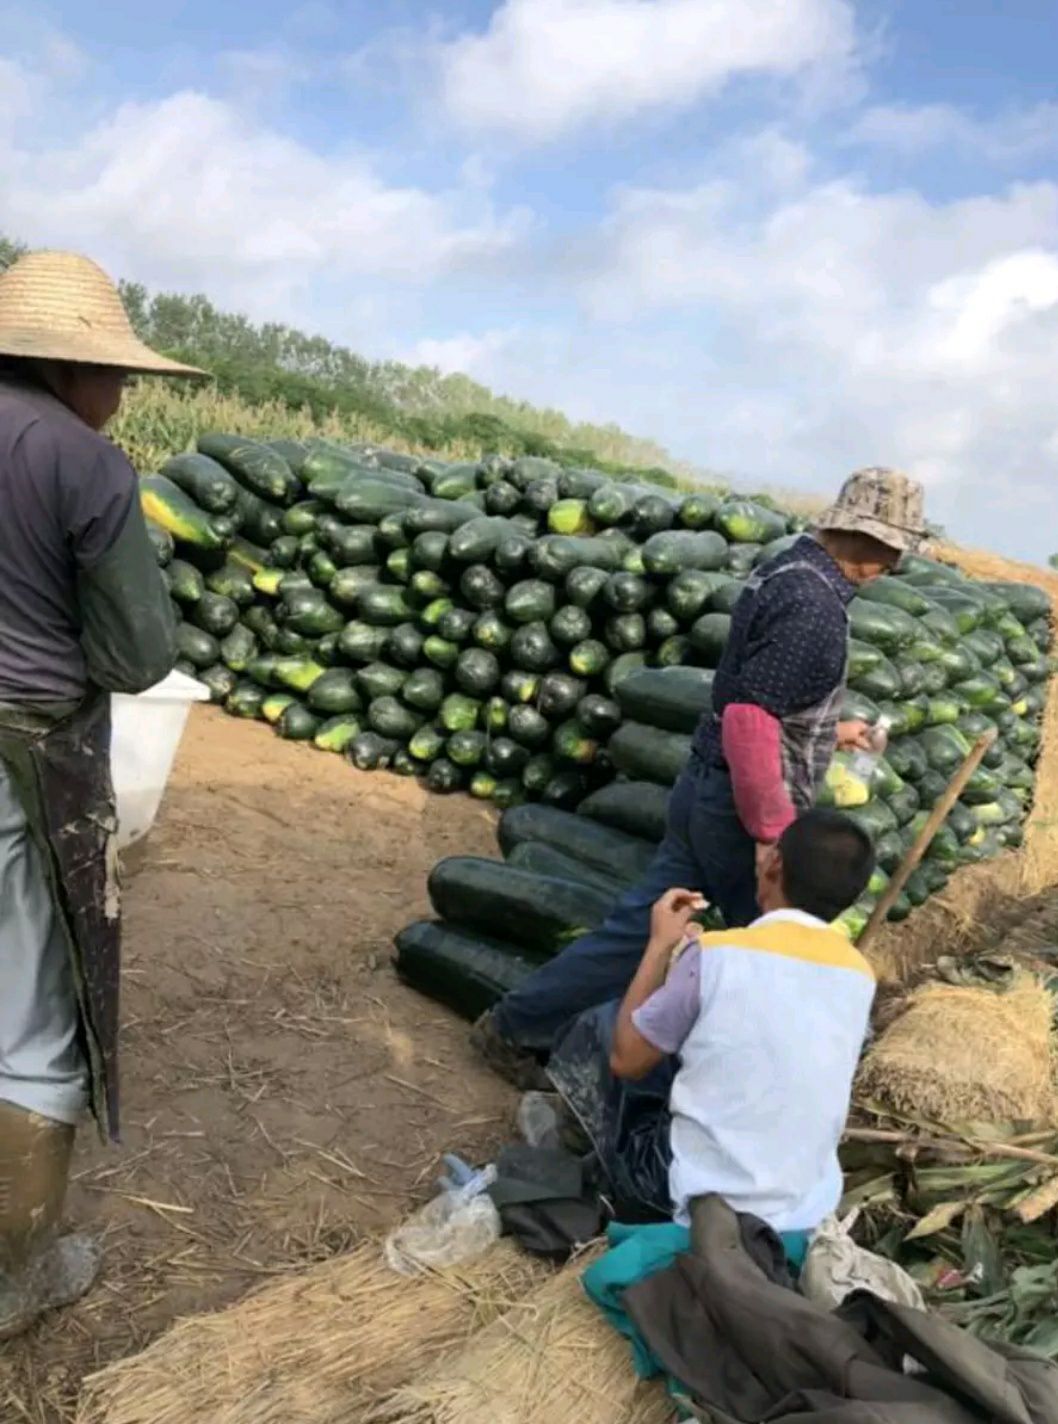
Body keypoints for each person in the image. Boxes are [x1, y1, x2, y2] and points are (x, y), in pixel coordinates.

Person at [472, 468, 925, 1087]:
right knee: (764, 958)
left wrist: (829, 730)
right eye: (893, 548)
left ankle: (514, 1025)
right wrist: (771, 836)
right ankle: (704, 1091)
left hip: (708, 787)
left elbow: (762, 689)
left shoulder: (790, 566)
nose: (895, 563)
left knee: (641, 927)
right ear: (864, 537)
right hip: (741, 813)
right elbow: (748, 718)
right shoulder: (813, 607)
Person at [0, 250, 202, 1337]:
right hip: (25, 744)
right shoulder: (85, 463)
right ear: (69, 365)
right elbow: (135, 653)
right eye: (116, 374)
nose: (121, 395)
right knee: (30, 1010)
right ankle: (18, 1275)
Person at [548, 809, 877, 1229]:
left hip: (686, 1200)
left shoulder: (719, 953)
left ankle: (598, 1166)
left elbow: (626, 1059)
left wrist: (661, 945)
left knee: (607, 1022)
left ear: (774, 863)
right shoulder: (859, 976)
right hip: (799, 1211)